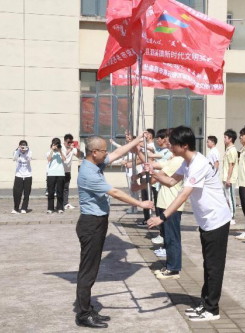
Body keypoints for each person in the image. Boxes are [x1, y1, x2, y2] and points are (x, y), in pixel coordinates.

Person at [148, 126, 231, 322]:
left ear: (184, 145)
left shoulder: (199, 163)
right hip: (207, 221)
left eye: (173, 143)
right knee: (208, 264)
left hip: (217, 219)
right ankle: (206, 303)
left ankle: (212, 309)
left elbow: (184, 193)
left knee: (214, 266)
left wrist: (163, 217)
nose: (170, 145)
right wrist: (152, 171)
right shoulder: (188, 162)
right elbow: (170, 181)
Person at [75, 133, 154, 329]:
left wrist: (136, 141)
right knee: (88, 270)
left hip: (97, 222)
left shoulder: (94, 164)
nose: (107, 153)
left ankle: (87, 307)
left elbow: (118, 153)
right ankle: (83, 314)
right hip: (91, 224)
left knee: (91, 269)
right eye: (103, 150)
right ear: (94, 153)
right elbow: (115, 192)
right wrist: (140, 203)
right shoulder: (88, 173)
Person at [133, 128, 185, 278]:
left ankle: (173, 268)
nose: (168, 143)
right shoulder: (171, 159)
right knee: (168, 237)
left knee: (172, 237)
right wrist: (138, 152)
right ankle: (171, 266)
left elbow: (159, 176)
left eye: (171, 141)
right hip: (165, 203)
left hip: (172, 204)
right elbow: (152, 165)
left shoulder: (177, 161)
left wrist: (141, 183)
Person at [62, 134, 84, 210]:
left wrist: (77, 149)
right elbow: (63, 156)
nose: (69, 144)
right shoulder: (61, 147)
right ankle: (59, 204)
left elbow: (78, 156)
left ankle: (65, 203)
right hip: (60, 171)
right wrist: (70, 149)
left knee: (66, 188)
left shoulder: (72, 148)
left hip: (67, 171)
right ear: (64, 141)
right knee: (59, 188)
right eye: (68, 142)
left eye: (71, 142)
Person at [222, 129, 238, 225]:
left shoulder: (232, 150)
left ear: (230, 139)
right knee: (226, 197)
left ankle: (232, 216)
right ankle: (228, 215)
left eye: (225, 137)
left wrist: (228, 178)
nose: (224, 139)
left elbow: (231, 166)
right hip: (225, 178)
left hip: (230, 179)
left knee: (231, 198)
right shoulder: (227, 150)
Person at [12, 140, 33, 214]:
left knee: (27, 193)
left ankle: (24, 208)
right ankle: (16, 208)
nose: (23, 148)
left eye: (24, 146)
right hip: (19, 175)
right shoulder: (17, 152)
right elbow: (14, 158)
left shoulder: (29, 152)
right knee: (17, 193)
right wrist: (18, 150)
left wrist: (26, 151)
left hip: (28, 175)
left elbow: (29, 158)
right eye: (22, 146)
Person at [46, 138, 66, 214]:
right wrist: (52, 150)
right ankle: (50, 208)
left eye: (57, 144)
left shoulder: (62, 151)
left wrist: (60, 151)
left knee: (60, 191)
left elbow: (64, 159)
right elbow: (49, 159)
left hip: (60, 173)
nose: (56, 146)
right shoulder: (49, 151)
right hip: (51, 174)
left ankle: (60, 207)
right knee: (51, 192)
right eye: (55, 144)